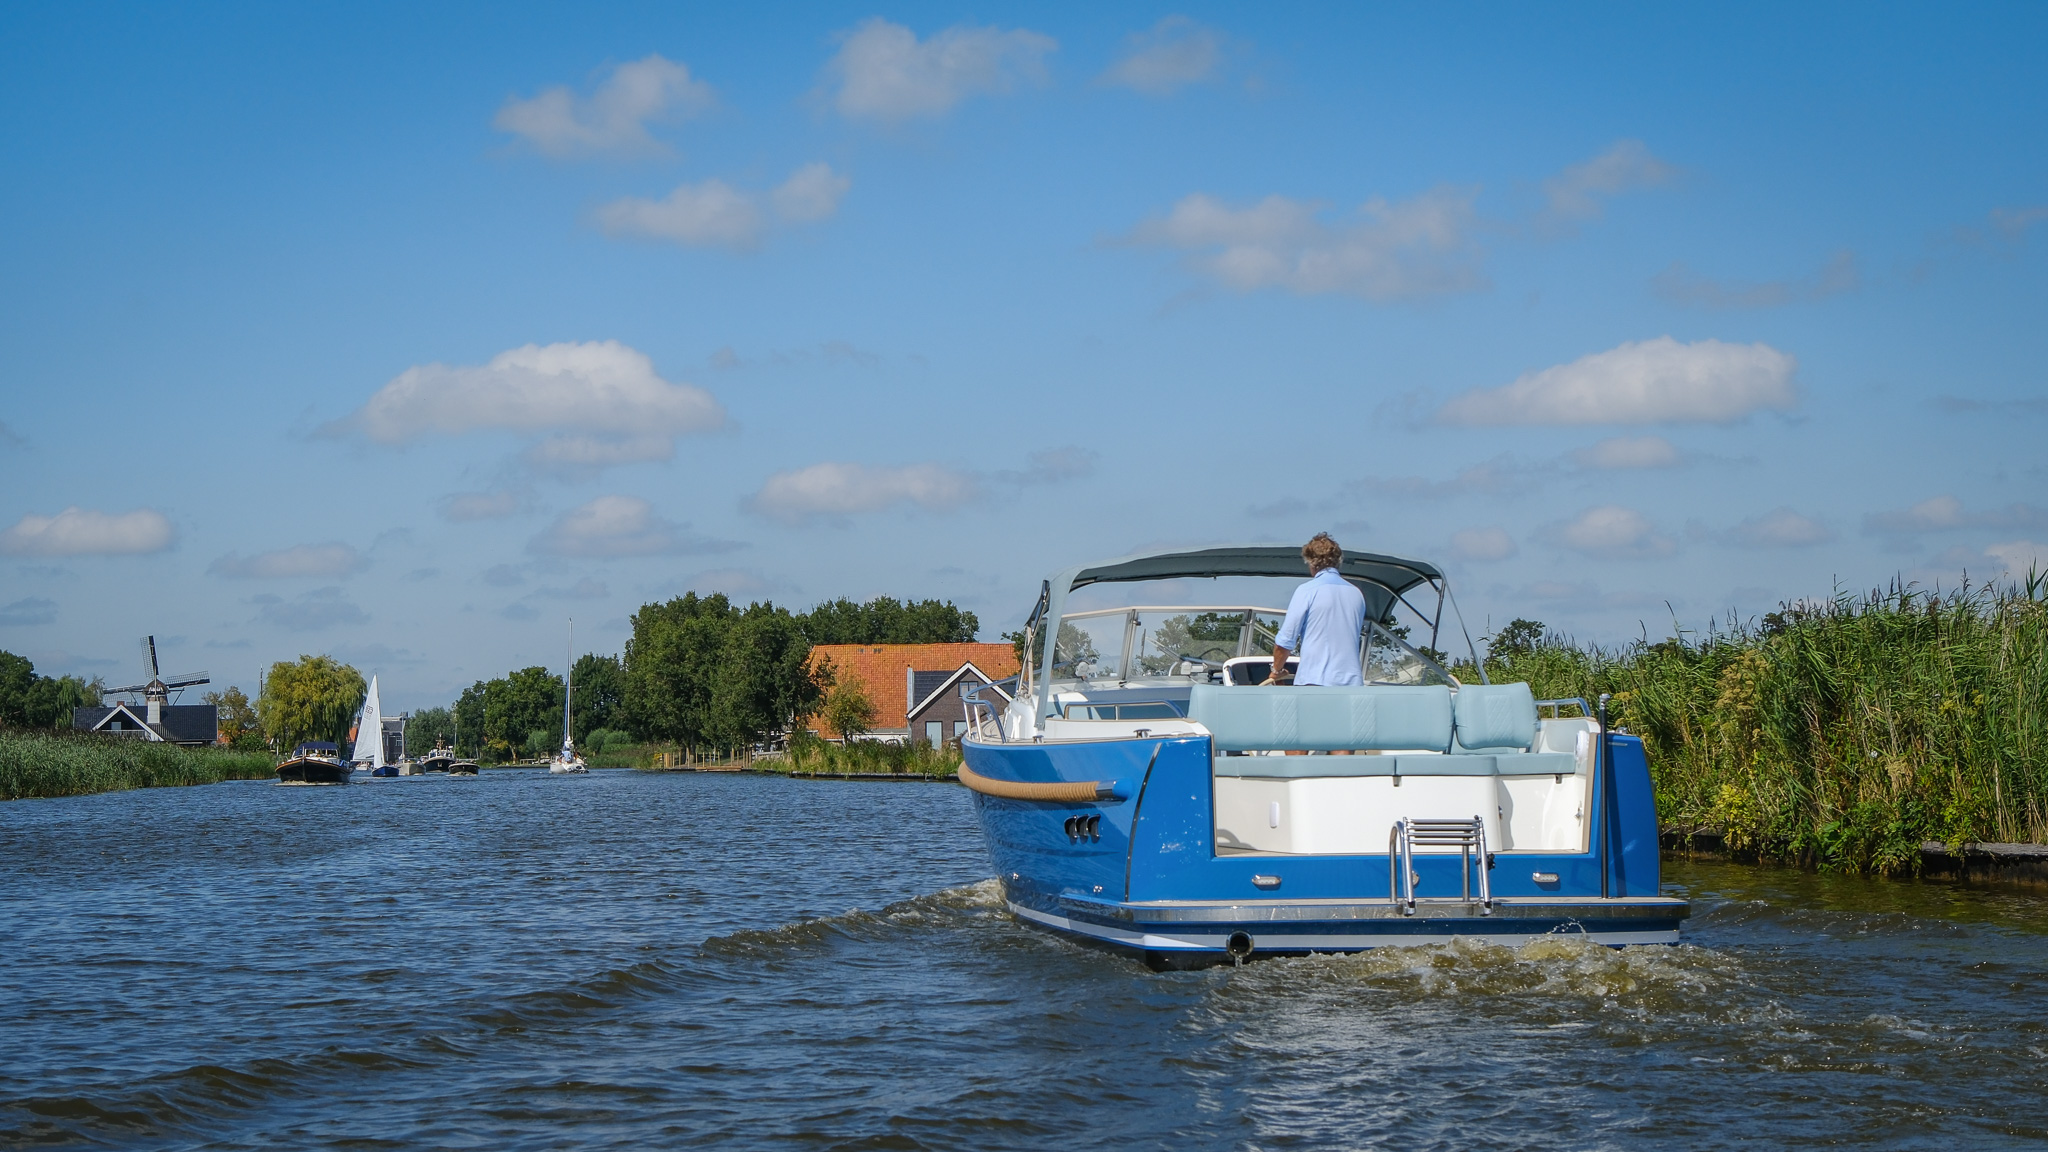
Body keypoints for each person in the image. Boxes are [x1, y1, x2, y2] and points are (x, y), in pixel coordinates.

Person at [1264, 532, 1366, 687]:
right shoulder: (1356, 594)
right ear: (1338, 561)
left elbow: (1285, 642)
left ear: (1311, 562)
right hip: (1352, 685)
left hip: (1315, 682)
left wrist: (1276, 670)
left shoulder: (1307, 591)